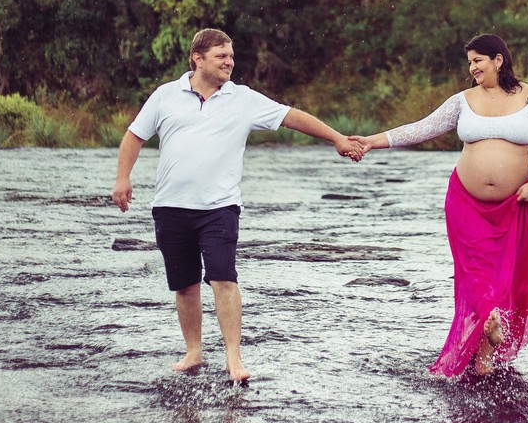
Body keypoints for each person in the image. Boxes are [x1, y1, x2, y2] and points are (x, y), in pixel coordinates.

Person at [111, 28, 367, 383]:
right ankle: (194, 352)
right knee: (184, 285)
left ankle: (234, 358)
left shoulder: (243, 99)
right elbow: (134, 136)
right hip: (170, 205)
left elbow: (293, 117)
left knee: (223, 279)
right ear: (197, 58)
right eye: (221, 56)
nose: (229, 62)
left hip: (219, 207)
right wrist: (123, 178)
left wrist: (338, 138)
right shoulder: (165, 95)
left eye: (231, 56)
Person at [356, 33, 528, 377]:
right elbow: (421, 129)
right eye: (469, 62)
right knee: (476, 275)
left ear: (498, 59)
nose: (472, 68)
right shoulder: (464, 100)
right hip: (466, 204)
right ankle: (487, 335)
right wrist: (372, 142)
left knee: (510, 278)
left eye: (478, 60)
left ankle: (484, 352)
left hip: (516, 205)